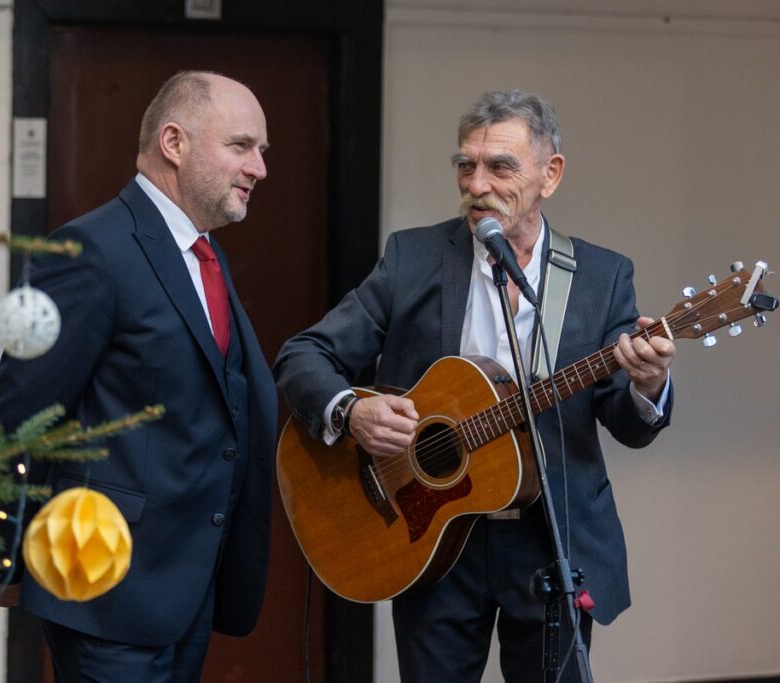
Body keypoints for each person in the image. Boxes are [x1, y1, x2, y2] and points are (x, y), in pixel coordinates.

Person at [274, 89, 675, 682]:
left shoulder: (600, 277)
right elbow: (304, 354)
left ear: (550, 175)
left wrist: (650, 381)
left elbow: (627, 421)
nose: (477, 184)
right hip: (427, 530)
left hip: (550, 542)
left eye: (500, 167)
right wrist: (351, 413)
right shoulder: (412, 259)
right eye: (466, 165)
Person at [0, 71, 276, 683]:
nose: (259, 168)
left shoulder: (205, 255)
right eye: (242, 146)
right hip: (101, 593)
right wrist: (0, 554)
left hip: (184, 590)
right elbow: (22, 413)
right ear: (175, 142)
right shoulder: (90, 251)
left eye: (261, 152)